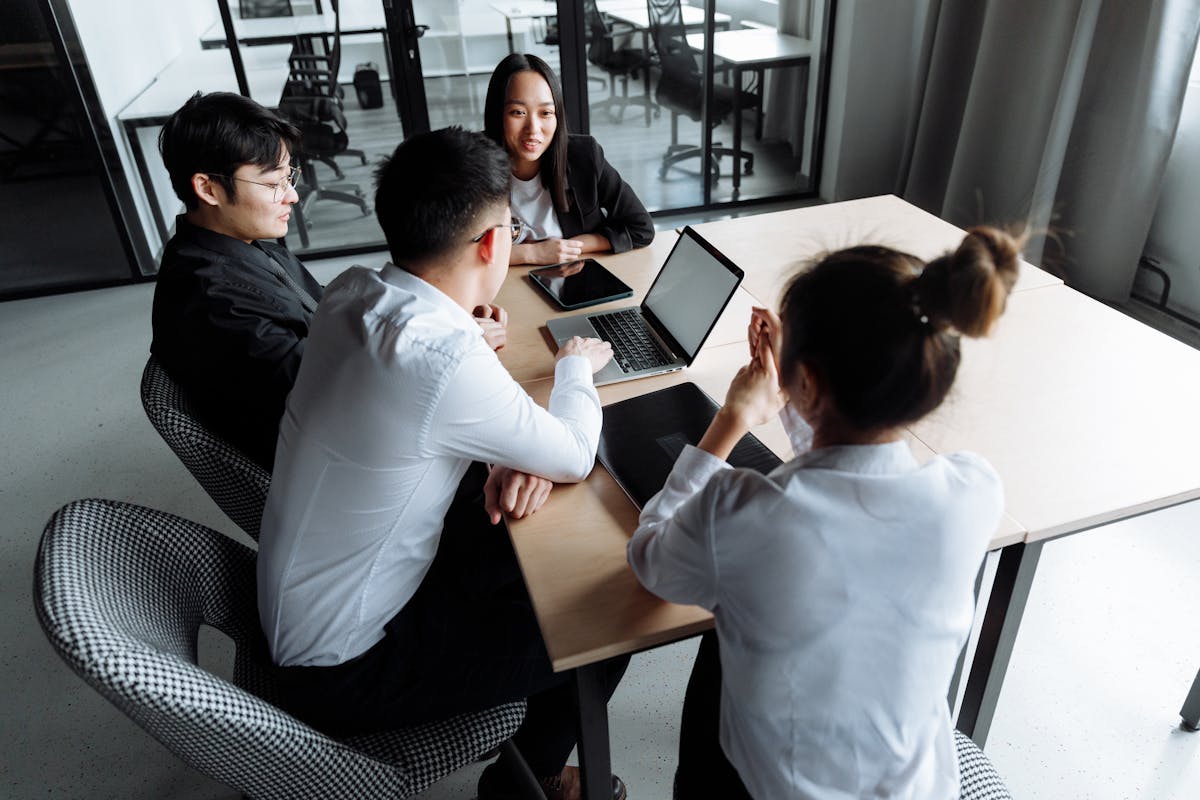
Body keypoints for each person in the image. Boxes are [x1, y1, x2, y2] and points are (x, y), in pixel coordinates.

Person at [257, 127, 629, 800]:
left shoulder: (350, 291)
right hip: (349, 663)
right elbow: (574, 453)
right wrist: (574, 368)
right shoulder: (441, 360)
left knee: (545, 559)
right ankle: (527, 787)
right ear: (493, 243)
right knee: (603, 622)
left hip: (317, 605)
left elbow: (421, 412)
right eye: (511, 226)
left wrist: (508, 449)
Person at [627, 228, 1022, 798]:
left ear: (807, 377)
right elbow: (851, 480)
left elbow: (651, 560)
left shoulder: (740, 512)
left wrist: (732, 420)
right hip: (918, 786)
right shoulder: (972, 493)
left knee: (724, 626)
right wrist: (803, 391)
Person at [150, 91, 321, 470]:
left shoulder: (240, 242)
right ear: (208, 188)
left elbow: (325, 309)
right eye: (273, 183)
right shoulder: (213, 301)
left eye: (288, 174)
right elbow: (326, 387)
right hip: (333, 460)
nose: (291, 195)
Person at [483, 53, 654, 267]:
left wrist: (574, 246)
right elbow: (450, 254)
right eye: (518, 112)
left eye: (545, 113)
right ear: (497, 113)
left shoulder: (583, 155)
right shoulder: (473, 164)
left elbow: (641, 228)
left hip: (571, 278)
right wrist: (530, 254)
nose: (533, 129)